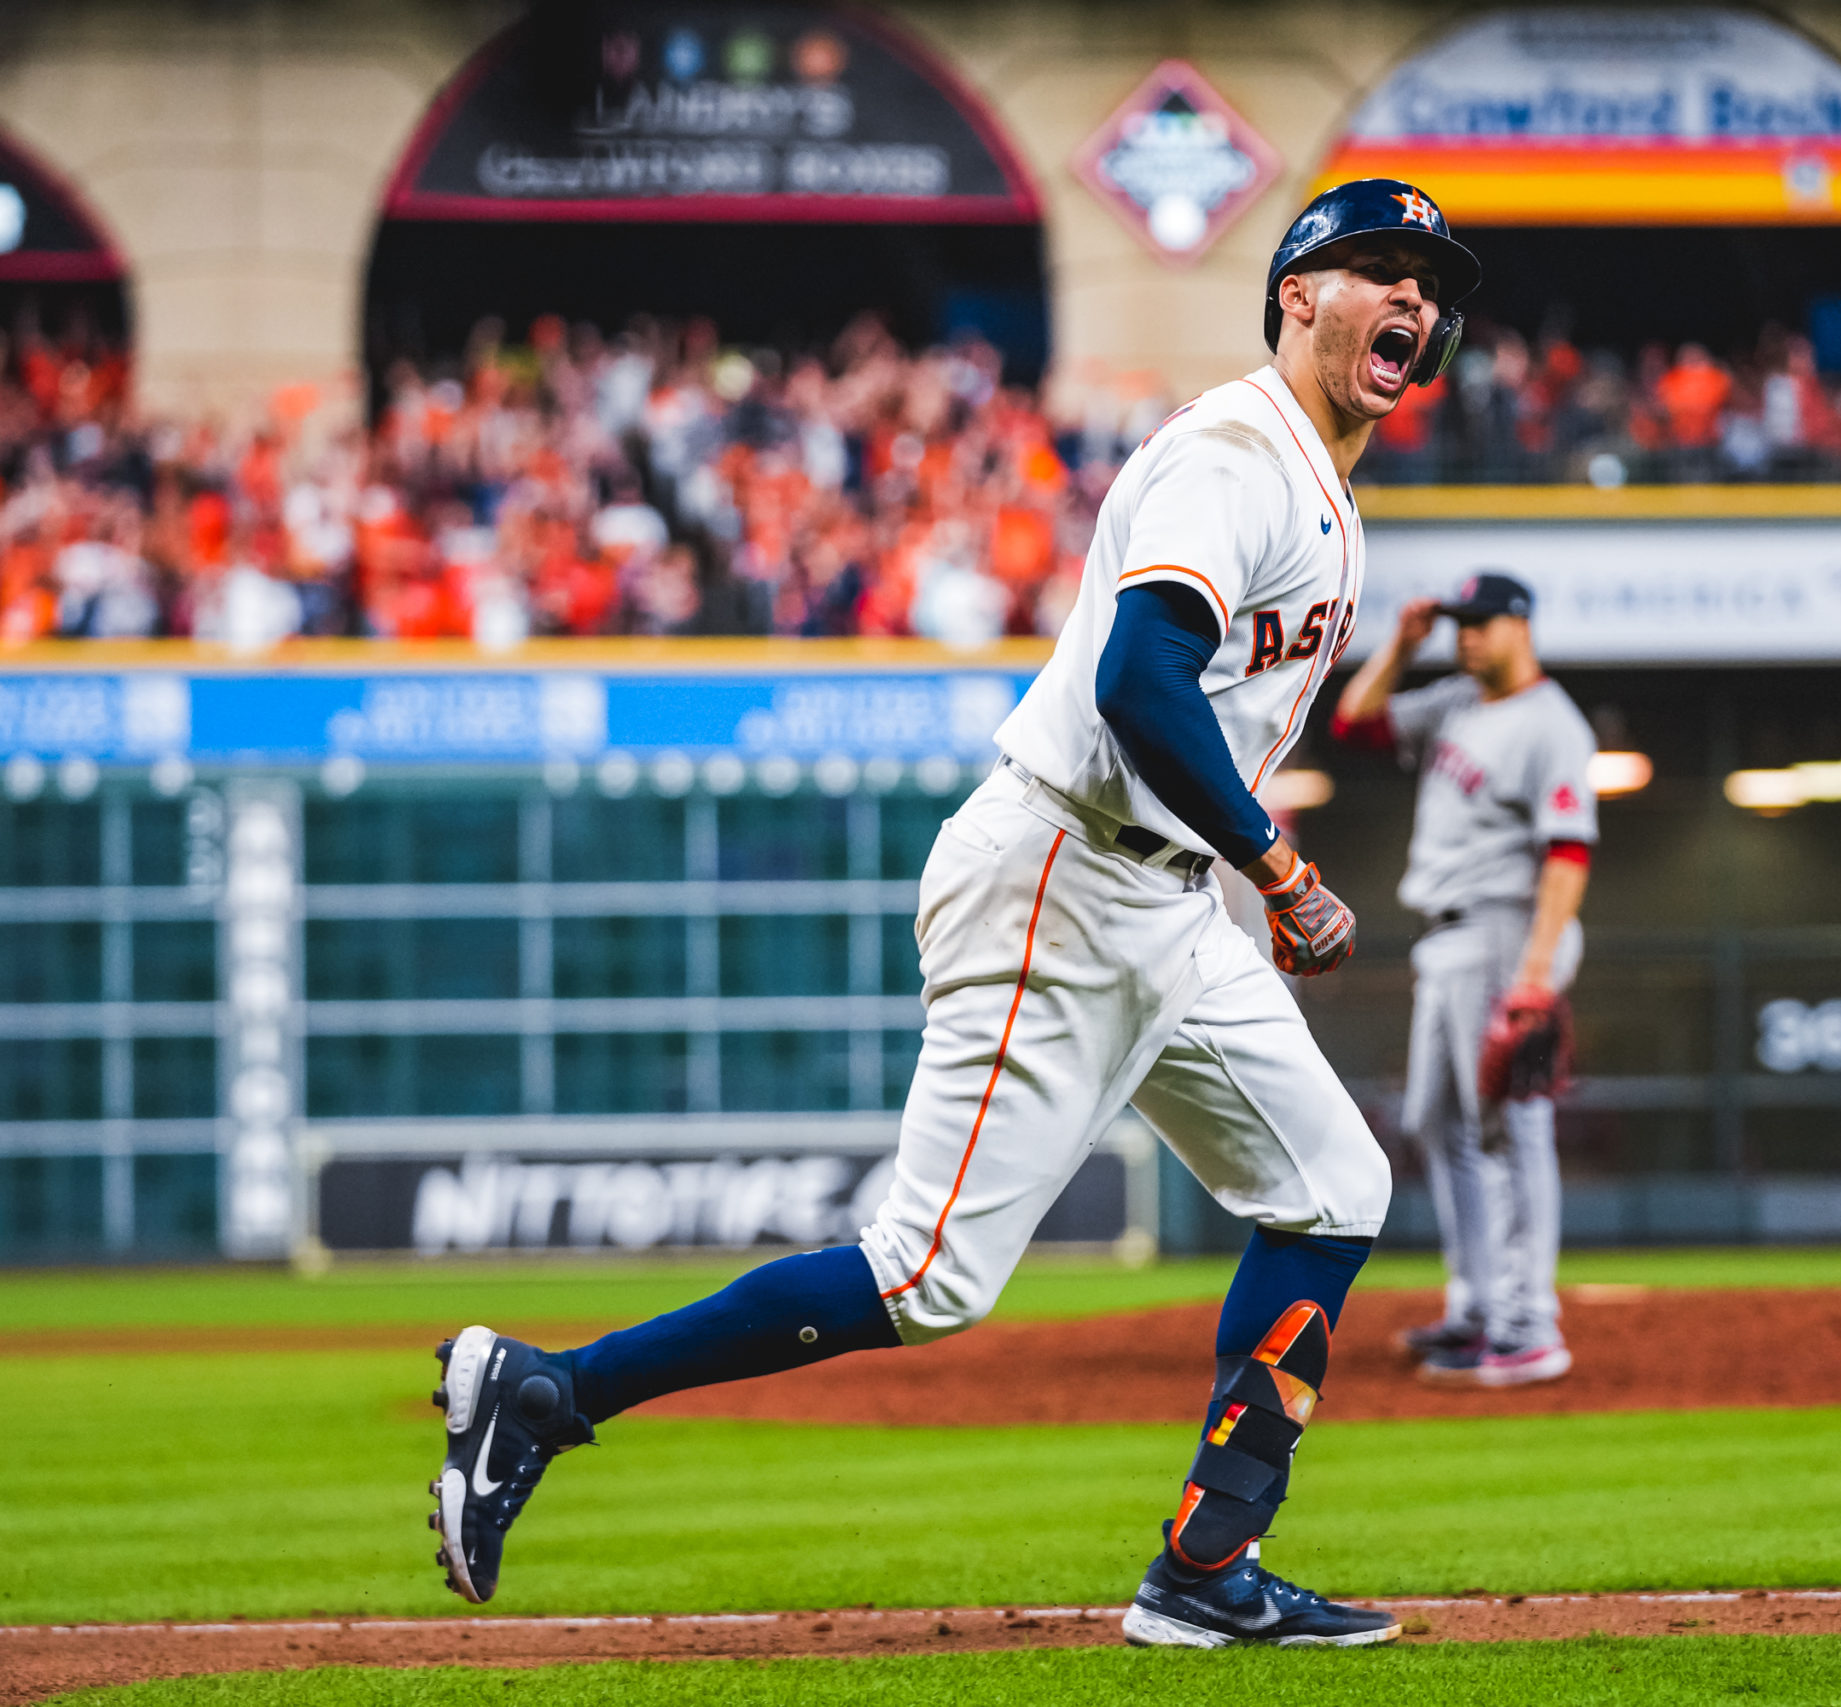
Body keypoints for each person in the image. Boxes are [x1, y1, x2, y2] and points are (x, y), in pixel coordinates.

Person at [424, 178, 1482, 1649]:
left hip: (1166, 899)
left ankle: (1204, 1563)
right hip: (1068, 863)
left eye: (1429, 281)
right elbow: (1138, 681)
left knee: (1335, 1188)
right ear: (1299, 292)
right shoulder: (1239, 453)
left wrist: (1239, 868)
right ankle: (550, 1390)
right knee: (925, 1279)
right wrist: (1282, 866)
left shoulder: (1317, 476)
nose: (1412, 299)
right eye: (1379, 266)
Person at [1330, 571, 1596, 1385]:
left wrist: (1536, 976)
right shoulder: (1455, 701)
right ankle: (1478, 1305)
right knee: (1435, 1119)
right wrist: (1403, 645)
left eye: (1482, 623)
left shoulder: (1554, 725)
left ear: (1522, 625)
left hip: (1504, 930)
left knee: (1507, 1129)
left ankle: (1529, 1323)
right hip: (1445, 937)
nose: (1467, 635)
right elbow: (1355, 726)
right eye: (1459, 623)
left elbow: (1568, 855)